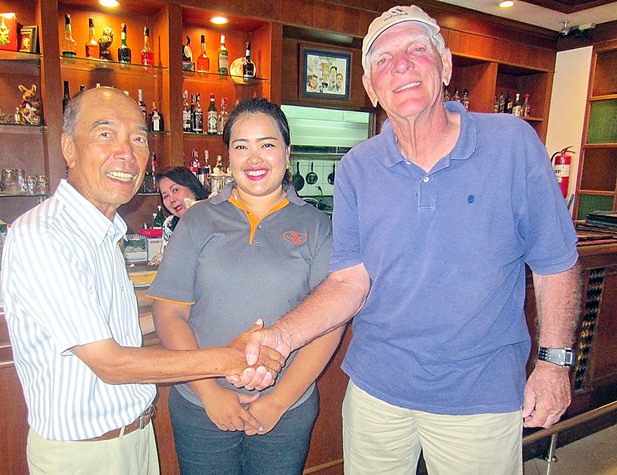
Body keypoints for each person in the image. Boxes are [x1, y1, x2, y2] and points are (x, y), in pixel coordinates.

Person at [236, 5, 582, 474]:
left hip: (478, 395)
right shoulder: (358, 166)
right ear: (370, 88)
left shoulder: (513, 144)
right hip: (377, 392)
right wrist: (278, 336)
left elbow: (555, 263)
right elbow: (349, 283)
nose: (400, 65)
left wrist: (554, 364)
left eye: (416, 50)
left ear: (444, 65)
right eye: (382, 59)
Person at [1, 87, 284, 474]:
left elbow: (113, 330)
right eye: (105, 134)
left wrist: (197, 311)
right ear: (69, 147)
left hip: (134, 438)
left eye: (137, 138)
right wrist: (231, 357)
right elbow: (110, 363)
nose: (126, 152)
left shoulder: (102, 232)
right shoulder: (44, 234)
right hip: (84, 455)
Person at [148, 97, 343, 475]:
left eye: (266, 145)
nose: (254, 158)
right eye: (242, 146)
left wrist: (278, 402)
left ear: (287, 153)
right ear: (229, 156)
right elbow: (169, 312)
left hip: (287, 408)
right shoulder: (198, 219)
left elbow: (329, 324)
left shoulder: (317, 226)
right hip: (200, 404)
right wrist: (209, 392)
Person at [156, 166, 209, 249]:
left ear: (192, 188)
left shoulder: (213, 216)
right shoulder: (169, 224)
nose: (172, 199)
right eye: (165, 196)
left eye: (175, 190)